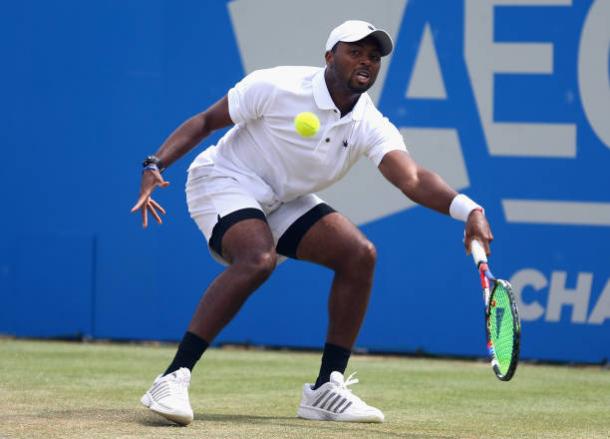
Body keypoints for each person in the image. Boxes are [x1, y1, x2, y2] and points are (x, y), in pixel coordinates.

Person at [132, 20, 493, 426]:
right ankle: (173, 376)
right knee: (258, 258)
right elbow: (205, 121)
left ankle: (326, 388)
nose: (366, 61)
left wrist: (469, 209)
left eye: (374, 56)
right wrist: (155, 163)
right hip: (223, 179)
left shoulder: (368, 124)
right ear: (329, 57)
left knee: (359, 255)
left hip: (282, 198)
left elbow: (411, 178)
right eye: (355, 51)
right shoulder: (277, 85)